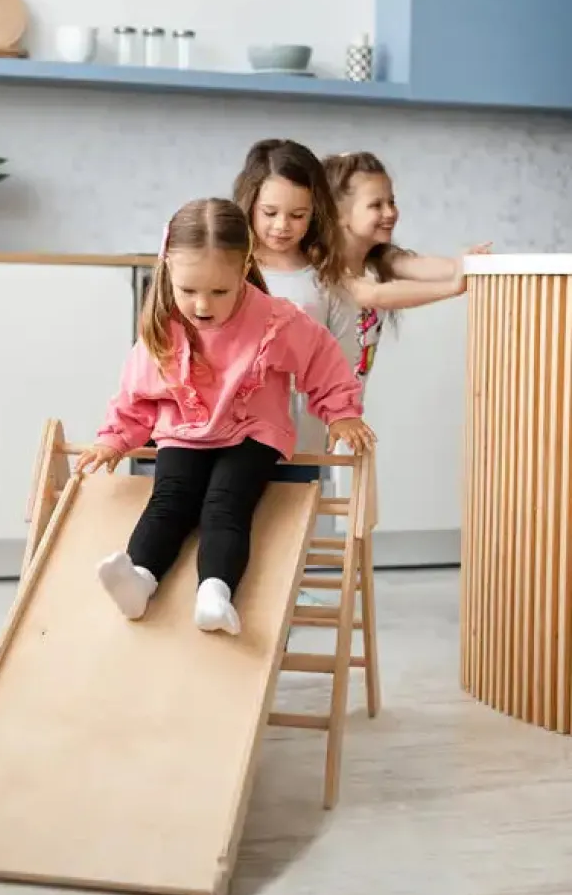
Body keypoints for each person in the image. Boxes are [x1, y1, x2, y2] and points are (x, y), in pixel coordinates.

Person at [76, 197, 375, 637]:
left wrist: (341, 413)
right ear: (168, 270)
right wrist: (114, 438)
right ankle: (140, 580)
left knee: (225, 504)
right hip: (184, 430)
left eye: (219, 291)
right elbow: (136, 394)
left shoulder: (273, 319)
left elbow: (322, 359)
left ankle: (215, 593)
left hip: (251, 431)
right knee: (169, 500)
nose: (202, 305)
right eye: (188, 291)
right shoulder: (163, 326)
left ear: (243, 270)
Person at [232, 139, 359, 465]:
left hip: (300, 445)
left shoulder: (328, 280)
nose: (281, 226)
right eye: (270, 213)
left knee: (296, 499)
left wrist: (341, 414)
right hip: (230, 439)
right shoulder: (229, 270)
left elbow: (342, 363)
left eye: (297, 215)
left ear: (315, 213)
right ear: (250, 203)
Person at [322, 151, 491, 386]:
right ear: (339, 214)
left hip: (345, 404)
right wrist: (453, 288)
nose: (390, 213)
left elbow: (419, 265)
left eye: (391, 202)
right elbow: (373, 295)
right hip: (308, 405)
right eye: (376, 205)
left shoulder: (378, 259)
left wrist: (468, 264)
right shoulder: (326, 267)